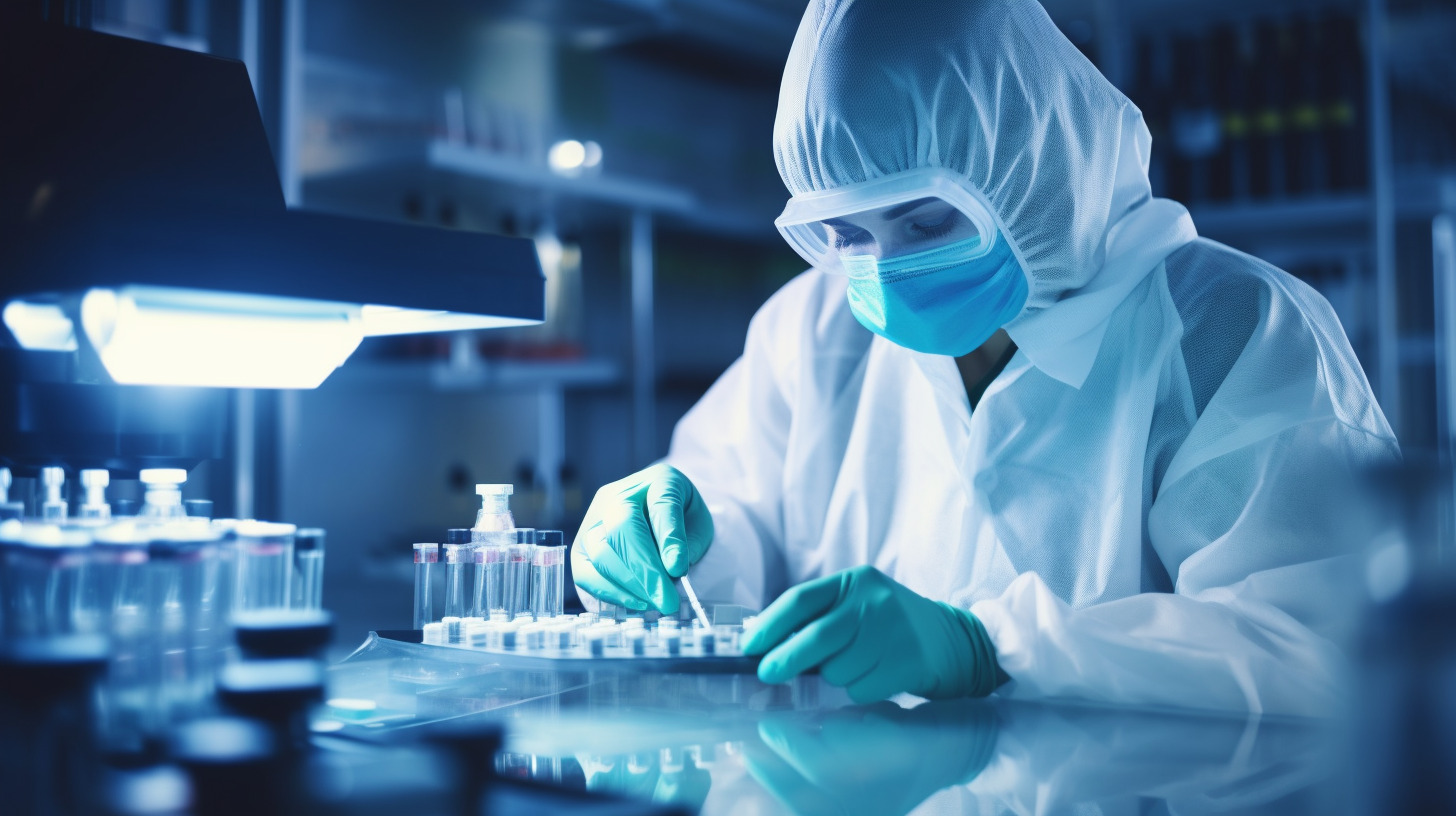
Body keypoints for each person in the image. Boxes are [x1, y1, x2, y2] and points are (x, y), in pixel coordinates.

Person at [572, 0, 1399, 715]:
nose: (886, 271)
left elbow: (1320, 652)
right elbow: (737, 516)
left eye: (926, 223)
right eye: (849, 232)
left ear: (1035, 167)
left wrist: (989, 648)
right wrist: (676, 549)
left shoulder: (1234, 330)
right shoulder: (810, 331)